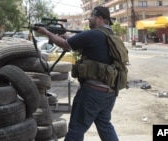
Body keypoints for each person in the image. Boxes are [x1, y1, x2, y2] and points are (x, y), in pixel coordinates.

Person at [36, 6, 119, 141]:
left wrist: (46, 32)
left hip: (92, 93)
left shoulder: (94, 34)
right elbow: (89, 50)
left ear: (99, 19)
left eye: (91, 16)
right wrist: (66, 37)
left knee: (76, 128)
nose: (89, 19)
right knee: (105, 126)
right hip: (109, 93)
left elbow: (65, 44)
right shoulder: (111, 36)